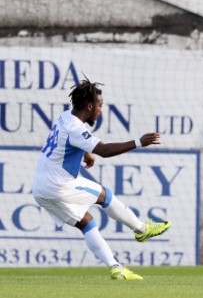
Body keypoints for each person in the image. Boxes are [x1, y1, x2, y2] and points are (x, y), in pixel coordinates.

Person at [32, 79, 171, 281]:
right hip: (59, 186)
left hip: (39, 189)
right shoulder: (76, 129)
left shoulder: (64, 118)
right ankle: (142, 229)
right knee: (105, 196)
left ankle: (116, 268)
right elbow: (104, 151)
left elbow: (66, 145)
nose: (100, 109)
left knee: (86, 222)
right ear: (89, 106)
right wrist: (138, 142)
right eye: (100, 105)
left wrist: (85, 154)